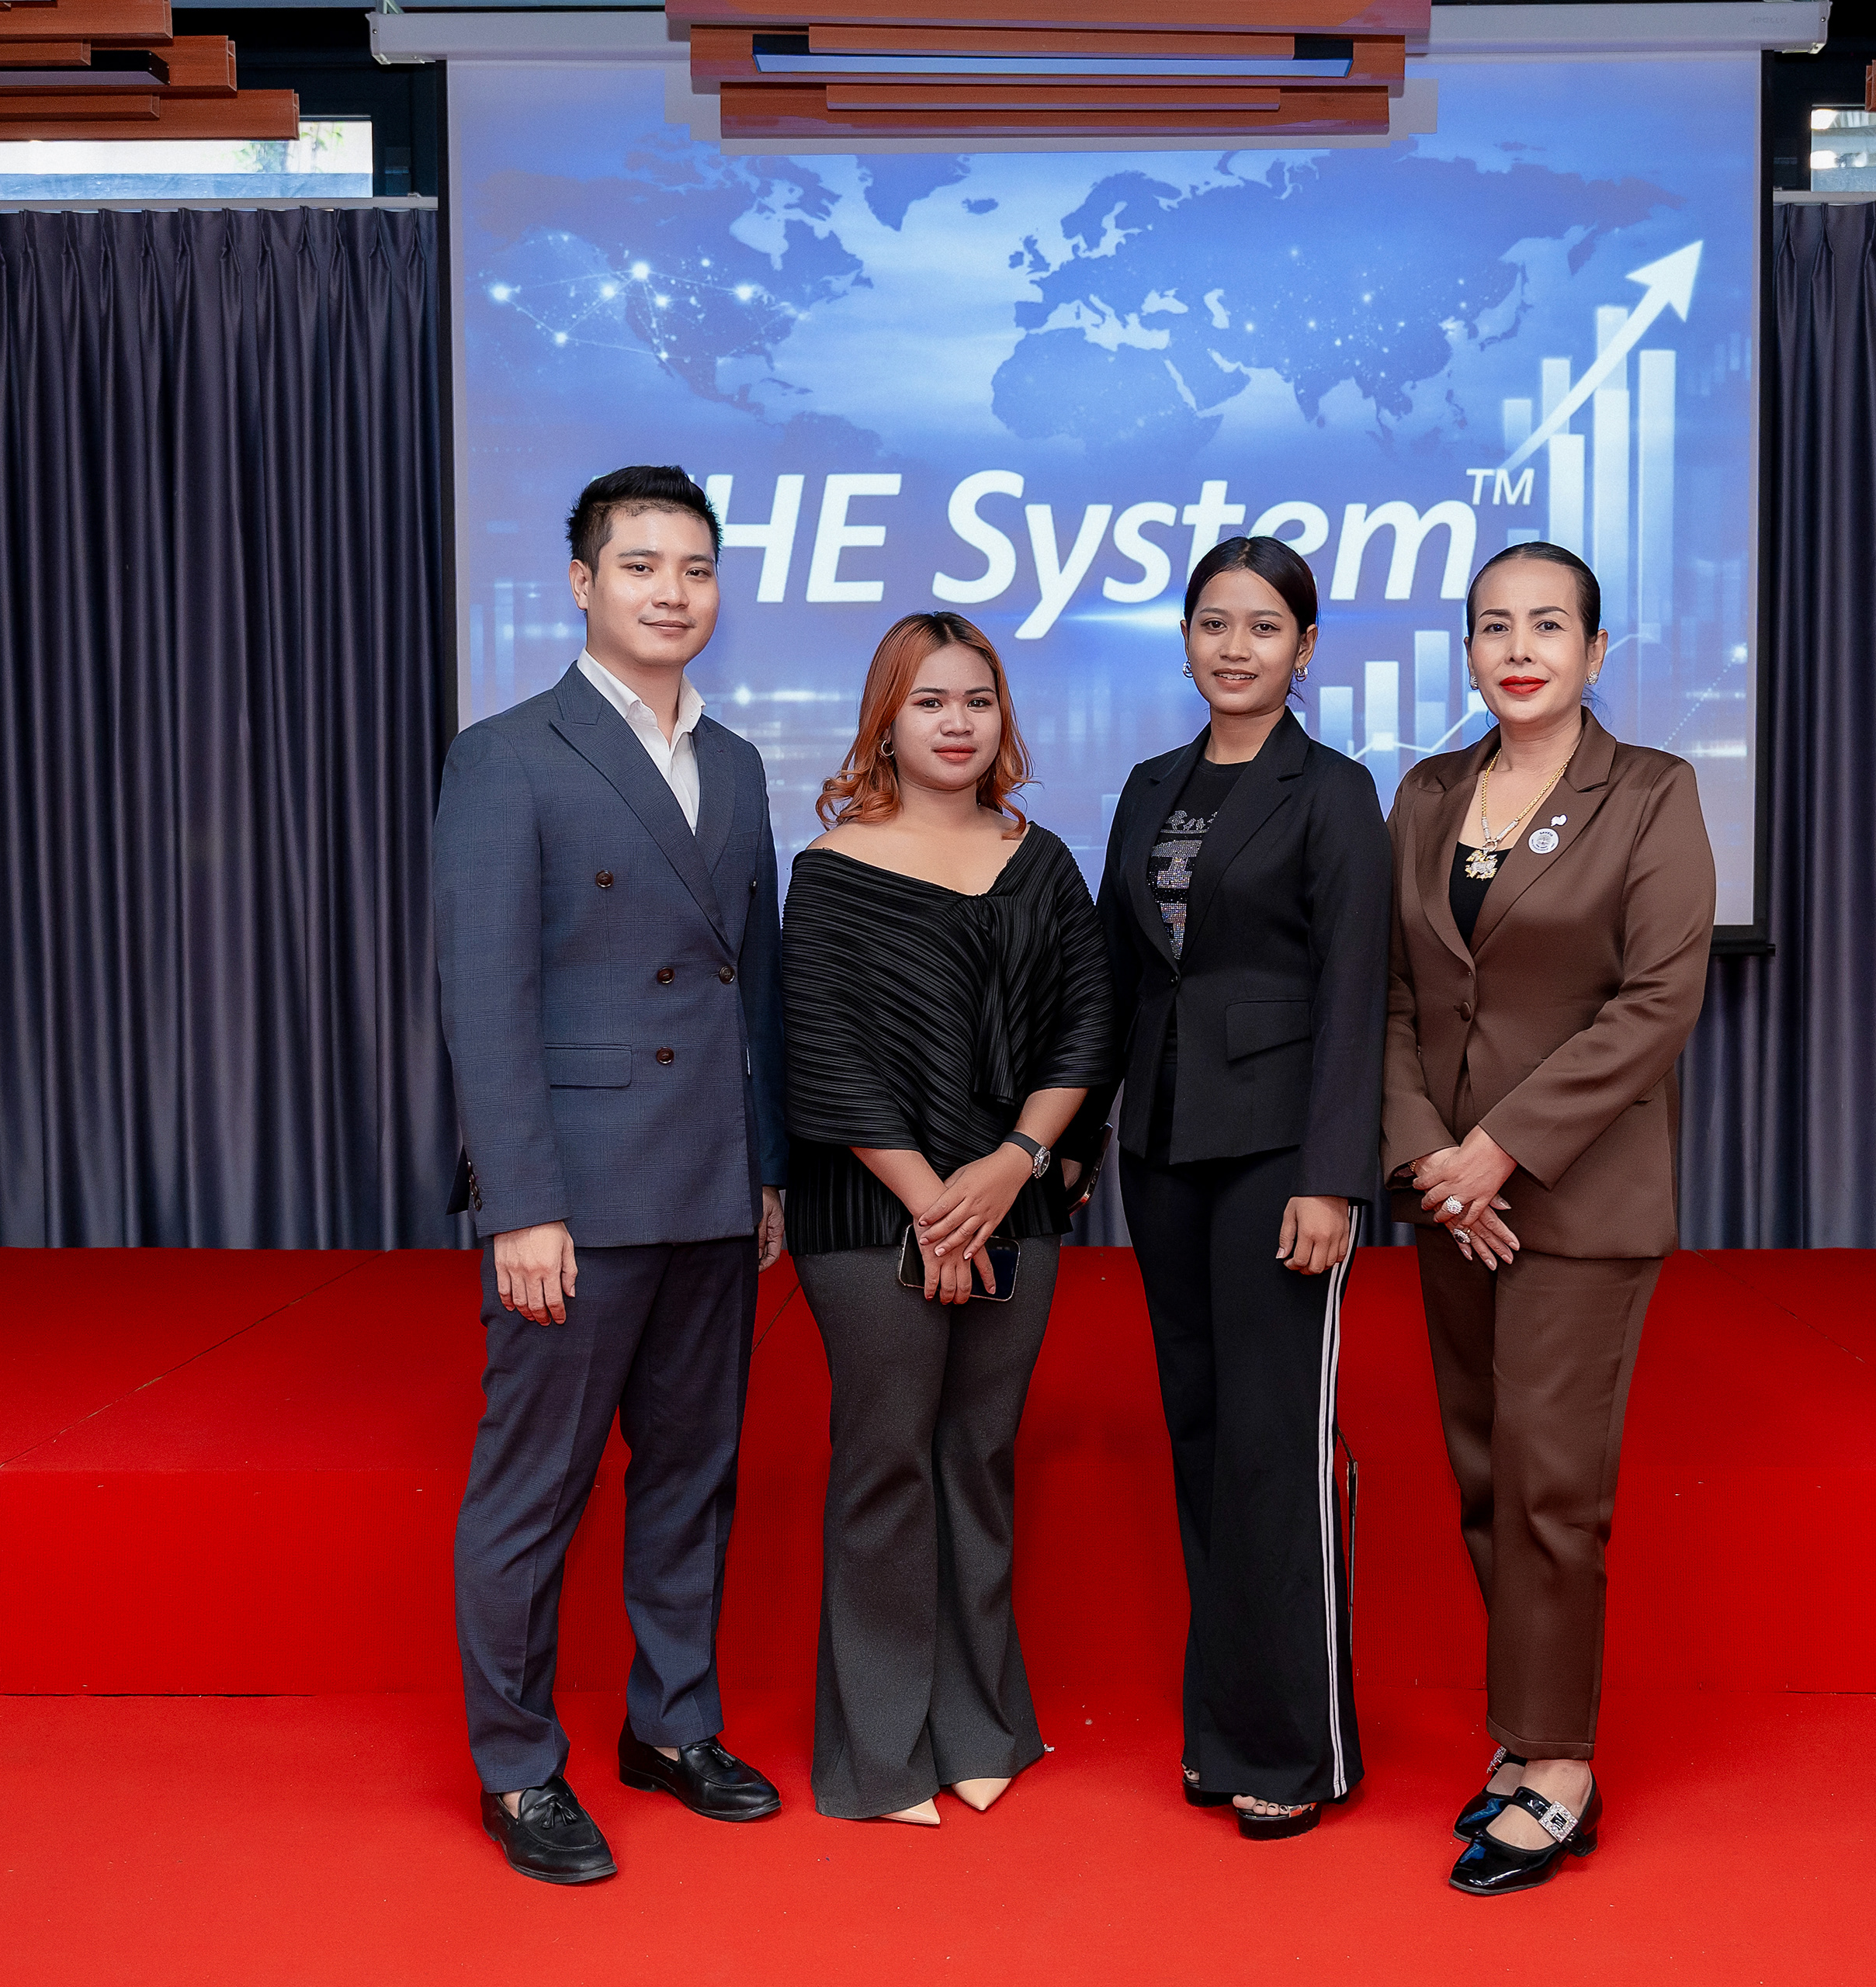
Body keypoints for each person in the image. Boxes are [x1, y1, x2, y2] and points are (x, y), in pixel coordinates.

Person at [432, 466, 791, 1886]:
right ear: (582, 584)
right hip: (575, 1194)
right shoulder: (507, 755)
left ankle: (672, 1727)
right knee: (534, 1492)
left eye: (694, 568)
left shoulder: (740, 763)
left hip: (711, 1180)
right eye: (640, 566)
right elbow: (485, 998)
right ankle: (519, 1768)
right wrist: (520, 1203)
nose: (671, 592)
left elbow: (754, 987)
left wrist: (766, 1169)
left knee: (694, 1478)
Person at [1381, 540, 1715, 1897]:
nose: (1519, 649)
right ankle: (1525, 1734)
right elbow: (1394, 999)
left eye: (1548, 625)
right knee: (1484, 1476)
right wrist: (1432, 1163)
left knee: (1551, 1486)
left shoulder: (1651, 791)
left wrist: (1500, 1152)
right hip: (1451, 1201)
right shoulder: (1426, 793)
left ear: (1594, 649)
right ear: (1467, 649)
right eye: (1494, 626)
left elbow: (1658, 1002)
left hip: (1574, 1198)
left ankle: (1560, 1765)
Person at [779, 611, 1117, 1824]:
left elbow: (1089, 1024)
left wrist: (1015, 1164)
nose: (957, 722)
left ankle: (978, 1728)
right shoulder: (831, 870)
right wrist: (936, 1206)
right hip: (871, 1216)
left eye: (978, 699)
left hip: (1015, 1204)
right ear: (887, 721)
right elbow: (824, 1054)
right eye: (929, 701)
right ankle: (879, 1755)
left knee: (976, 1460)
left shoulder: (1043, 860)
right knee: (887, 1465)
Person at [1094, 536, 1391, 1840]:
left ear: (1305, 649)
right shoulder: (1150, 785)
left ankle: (1297, 1748)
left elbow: (1356, 992)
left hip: (1280, 1162)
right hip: (1162, 1147)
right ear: (1185, 639)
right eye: (1214, 623)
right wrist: (1072, 1141)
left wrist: (1333, 1178)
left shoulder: (1333, 791)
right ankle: (1224, 1732)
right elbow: (1118, 974)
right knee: (1204, 1438)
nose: (1235, 647)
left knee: (1275, 1449)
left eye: (1265, 627)